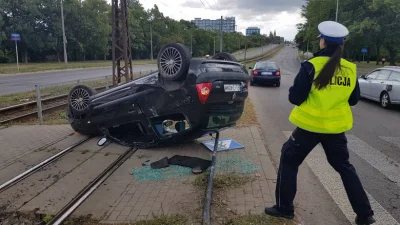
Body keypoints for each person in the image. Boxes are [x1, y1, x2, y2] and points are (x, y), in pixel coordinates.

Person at [264, 21, 376, 225]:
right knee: (344, 167)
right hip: (335, 129)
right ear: (341, 44)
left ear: (323, 41)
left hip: (309, 127)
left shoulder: (311, 65)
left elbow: (295, 98)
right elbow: (353, 100)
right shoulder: (350, 69)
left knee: (289, 160)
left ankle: (284, 208)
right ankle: (365, 215)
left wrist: (294, 91)